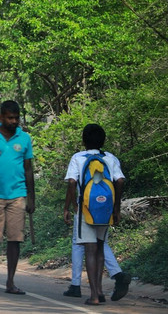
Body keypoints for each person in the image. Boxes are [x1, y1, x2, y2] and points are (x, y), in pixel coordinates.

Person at [63, 123, 126, 306]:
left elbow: (72, 183)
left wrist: (70, 206)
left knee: (89, 250)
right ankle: (98, 290)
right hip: (105, 210)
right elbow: (120, 180)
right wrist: (116, 208)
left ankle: (94, 296)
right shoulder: (110, 158)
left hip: (86, 210)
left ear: (83, 141)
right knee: (99, 248)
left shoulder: (78, 157)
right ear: (103, 141)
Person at [0, 100, 35, 295]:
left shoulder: (24, 138)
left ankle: (10, 281)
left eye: (16, 118)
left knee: (15, 238)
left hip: (18, 195)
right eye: (10, 118)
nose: (14, 121)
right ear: (1, 117)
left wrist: (31, 198)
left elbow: (28, 170)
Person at [63, 217, 131, 301]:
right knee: (101, 244)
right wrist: (116, 212)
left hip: (85, 211)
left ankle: (76, 285)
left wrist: (67, 208)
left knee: (79, 243)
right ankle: (117, 275)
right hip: (104, 212)